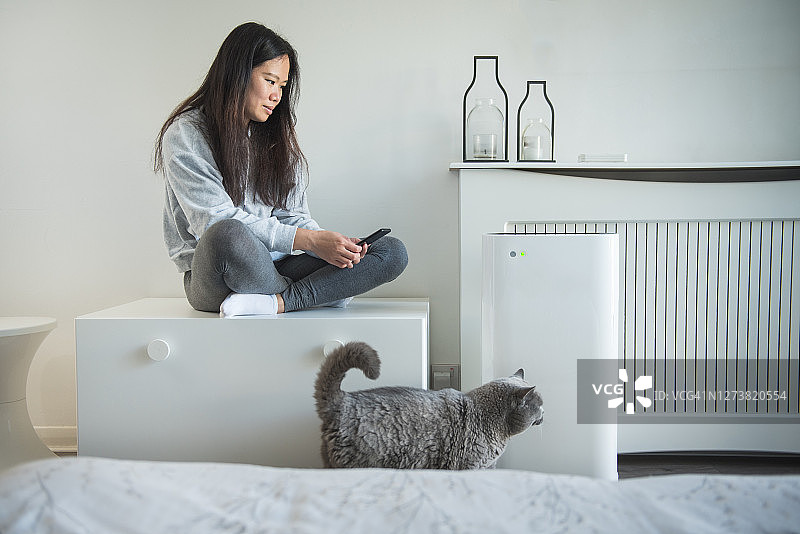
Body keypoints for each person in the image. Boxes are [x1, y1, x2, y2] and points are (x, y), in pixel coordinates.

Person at [153, 22, 407, 317]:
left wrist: (332, 245)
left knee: (391, 252)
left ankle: (277, 302)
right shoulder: (186, 133)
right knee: (227, 233)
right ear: (237, 74)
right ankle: (316, 293)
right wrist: (311, 244)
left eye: (283, 87)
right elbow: (212, 221)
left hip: (279, 266)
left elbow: (293, 216)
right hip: (216, 274)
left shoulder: (274, 136)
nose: (277, 96)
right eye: (270, 81)